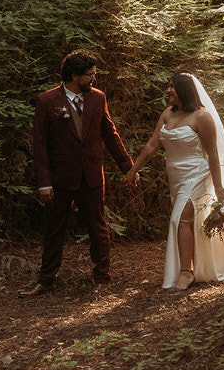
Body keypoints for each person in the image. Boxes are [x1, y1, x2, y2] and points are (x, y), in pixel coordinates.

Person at [19, 51, 136, 296]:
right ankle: (46, 280)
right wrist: (44, 183)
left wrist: (128, 166)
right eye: (90, 74)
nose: (94, 78)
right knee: (54, 229)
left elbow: (110, 134)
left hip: (91, 175)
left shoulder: (98, 98)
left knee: (97, 227)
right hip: (59, 179)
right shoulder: (46, 101)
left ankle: (103, 279)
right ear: (74, 75)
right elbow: (40, 146)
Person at [124, 73, 224, 291]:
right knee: (186, 221)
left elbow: (213, 154)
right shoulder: (166, 115)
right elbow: (152, 146)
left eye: (172, 87)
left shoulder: (202, 117)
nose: (168, 90)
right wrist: (133, 170)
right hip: (176, 175)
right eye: (168, 86)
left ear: (185, 90)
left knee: (179, 218)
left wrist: (219, 188)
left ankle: (185, 273)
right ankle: (195, 266)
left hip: (197, 174)